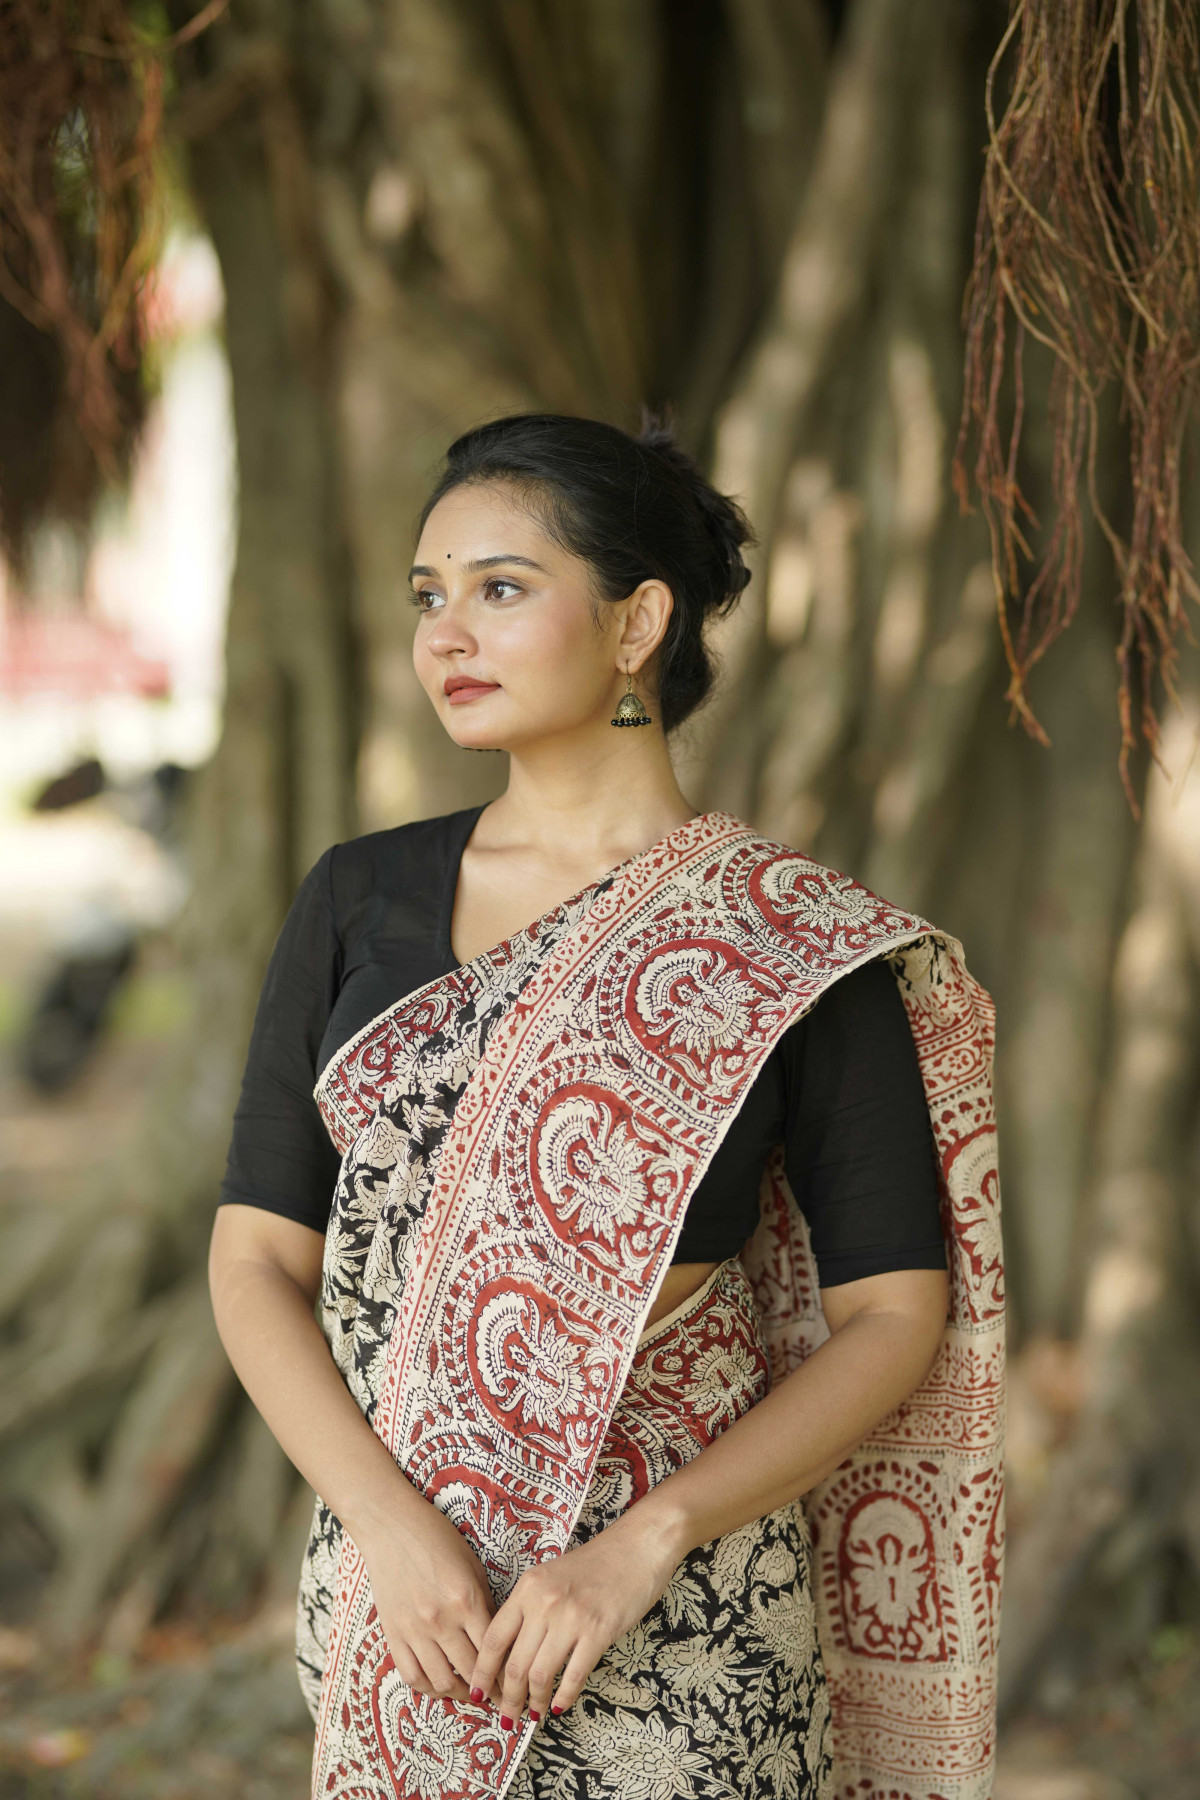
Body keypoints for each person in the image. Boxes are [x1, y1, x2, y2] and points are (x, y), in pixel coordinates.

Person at [208, 411, 1005, 1800]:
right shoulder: (358, 899)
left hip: (689, 1626)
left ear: (639, 622)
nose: (447, 636)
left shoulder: (791, 945)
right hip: (408, 1615)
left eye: (501, 588)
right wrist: (384, 1525)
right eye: (428, 597)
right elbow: (256, 1259)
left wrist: (648, 1542)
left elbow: (894, 1315)